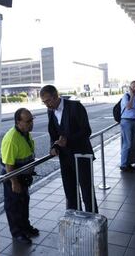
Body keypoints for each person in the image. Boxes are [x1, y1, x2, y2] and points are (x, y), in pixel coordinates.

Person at [40, 85, 98, 213]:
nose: (46, 105)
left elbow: (86, 131)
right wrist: (54, 146)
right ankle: (75, 221)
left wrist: (68, 140)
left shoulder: (75, 107)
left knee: (87, 191)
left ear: (56, 96)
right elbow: (54, 133)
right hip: (65, 157)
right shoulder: (50, 111)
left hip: (82, 155)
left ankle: (93, 222)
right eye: (44, 102)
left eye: (48, 101)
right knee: (70, 192)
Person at [1, 108, 39, 245]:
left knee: (24, 203)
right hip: (14, 178)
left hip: (23, 177)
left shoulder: (25, 133)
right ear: (18, 122)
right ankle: (17, 233)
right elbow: (8, 164)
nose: (31, 124)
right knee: (13, 206)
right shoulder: (12, 139)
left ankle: (25, 227)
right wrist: (14, 182)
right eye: (28, 121)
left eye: (32, 120)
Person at [119, 80, 135, 172]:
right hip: (126, 121)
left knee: (131, 143)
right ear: (130, 87)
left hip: (132, 121)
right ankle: (123, 165)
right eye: (133, 86)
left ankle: (128, 163)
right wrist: (131, 96)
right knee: (127, 144)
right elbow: (128, 107)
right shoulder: (126, 96)